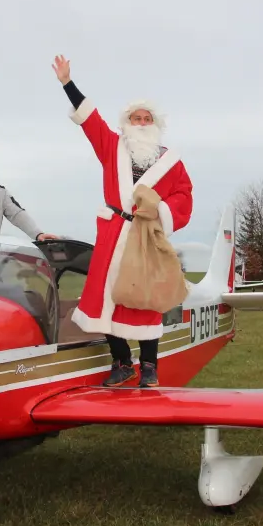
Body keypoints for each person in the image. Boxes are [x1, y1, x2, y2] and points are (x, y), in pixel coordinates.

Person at [51, 54, 193, 387]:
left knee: (144, 298)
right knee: (105, 299)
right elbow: (90, 120)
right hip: (113, 232)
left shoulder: (171, 162)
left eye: (146, 118)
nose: (141, 122)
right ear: (127, 122)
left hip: (145, 235)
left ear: (155, 124)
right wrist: (67, 83)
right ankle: (121, 361)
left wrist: (159, 209)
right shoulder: (112, 146)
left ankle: (149, 367)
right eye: (136, 118)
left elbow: (184, 195)